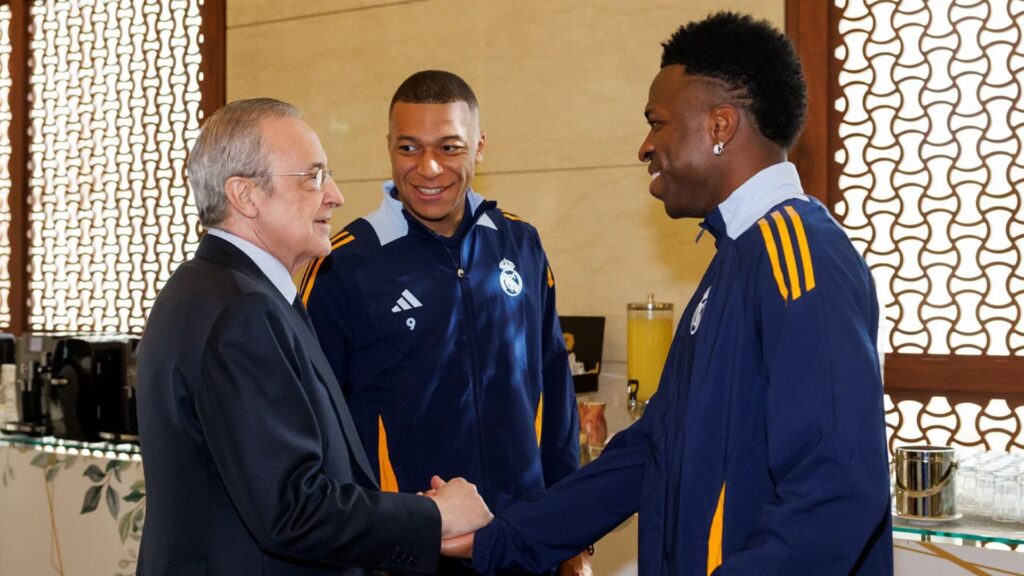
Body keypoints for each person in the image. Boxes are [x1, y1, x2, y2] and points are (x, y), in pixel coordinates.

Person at [444, 12, 894, 576]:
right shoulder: (738, 256)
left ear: (720, 125)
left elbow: (836, 496)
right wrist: (499, 539)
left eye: (657, 122)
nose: (645, 146)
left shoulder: (798, 255)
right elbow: (650, 451)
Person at [136, 98, 492, 576]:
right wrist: (434, 516)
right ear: (245, 195)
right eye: (313, 176)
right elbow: (292, 510)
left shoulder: (216, 289)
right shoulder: (242, 311)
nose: (335, 195)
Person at [298, 70, 586, 575]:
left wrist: (571, 536)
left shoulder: (521, 244)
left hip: (522, 542)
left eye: (449, 148)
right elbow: (316, 427)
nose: (429, 168)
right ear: (389, 148)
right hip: (406, 552)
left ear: (479, 147)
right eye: (409, 148)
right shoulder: (343, 264)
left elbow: (556, 395)